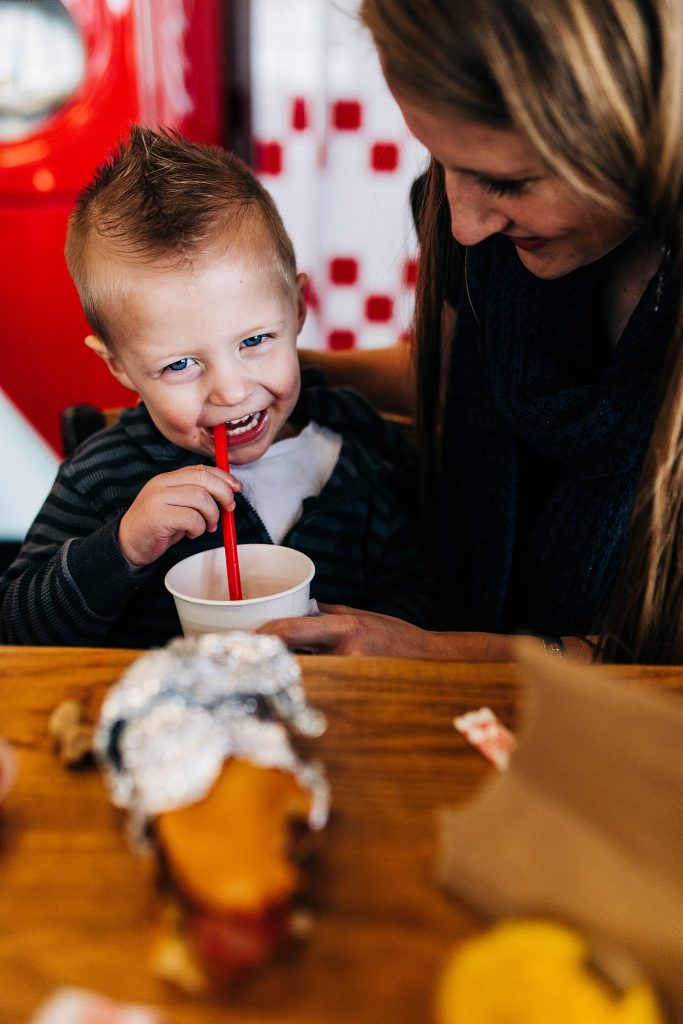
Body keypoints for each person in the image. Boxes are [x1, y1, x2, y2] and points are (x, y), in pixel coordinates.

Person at [259, 0, 683, 663]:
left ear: (647, 127)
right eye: (436, 157)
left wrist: (445, 657)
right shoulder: (486, 230)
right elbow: (444, 374)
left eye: (508, 183)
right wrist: (253, 371)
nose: (462, 225)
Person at [0, 125, 431, 648]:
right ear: (118, 367)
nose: (230, 391)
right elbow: (14, 627)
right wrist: (122, 549)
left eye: (254, 341)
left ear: (296, 311)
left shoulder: (364, 452)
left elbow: (422, 601)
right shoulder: (103, 477)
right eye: (180, 364)